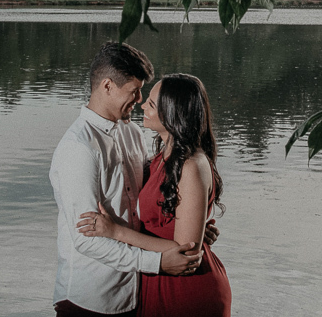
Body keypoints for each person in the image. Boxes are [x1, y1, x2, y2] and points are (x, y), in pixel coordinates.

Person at [50, 42, 211, 317]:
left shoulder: (133, 133)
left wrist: (194, 225)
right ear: (107, 86)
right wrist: (158, 262)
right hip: (91, 298)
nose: (139, 100)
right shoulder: (78, 148)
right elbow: (86, 240)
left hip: (137, 295)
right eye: (134, 91)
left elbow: (158, 195)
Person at [77, 73, 231, 317]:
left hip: (185, 290)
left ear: (173, 113)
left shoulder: (191, 166)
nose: (141, 105)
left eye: (151, 103)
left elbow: (187, 251)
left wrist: (116, 232)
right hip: (156, 280)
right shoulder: (159, 161)